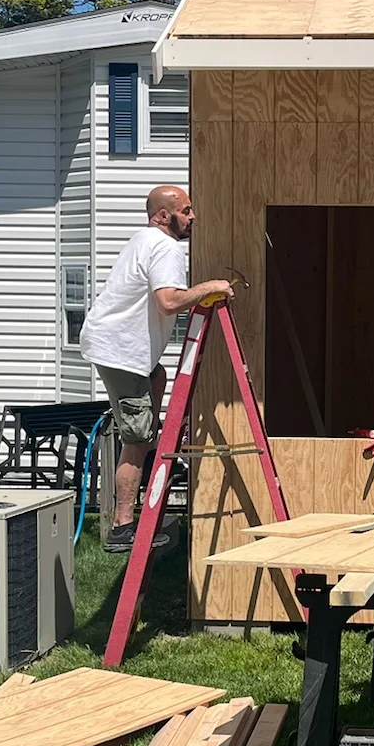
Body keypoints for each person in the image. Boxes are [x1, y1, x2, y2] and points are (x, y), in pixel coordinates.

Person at [78, 184, 234, 552]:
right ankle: (122, 529)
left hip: (117, 347)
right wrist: (210, 286)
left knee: (158, 376)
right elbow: (168, 302)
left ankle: (150, 447)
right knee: (136, 439)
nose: (192, 216)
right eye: (185, 211)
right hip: (121, 352)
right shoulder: (166, 247)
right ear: (164, 216)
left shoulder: (143, 239)